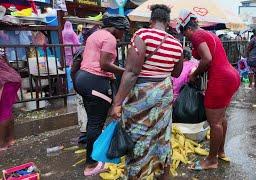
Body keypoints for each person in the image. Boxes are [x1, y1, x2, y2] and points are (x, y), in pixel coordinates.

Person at [109, 4, 183, 179]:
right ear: (167, 22)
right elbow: (177, 72)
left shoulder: (142, 35)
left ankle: (137, 174)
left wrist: (117, 103)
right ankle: (161, 172)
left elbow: (132, 72)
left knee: (137, 134)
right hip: (164, 92)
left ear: (151, 20)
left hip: (143, 93)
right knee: (161, 134)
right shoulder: (176, 43)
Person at [176, 9, 240, 170]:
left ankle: (211, 161)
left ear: (188, 29)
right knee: (221, 118)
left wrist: (194, 74)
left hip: (221, 79)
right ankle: (220, 152)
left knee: (215, 122)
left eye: (185, 33)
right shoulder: (208, 34)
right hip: (230, 76)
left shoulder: (197, 35)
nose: (186, 37)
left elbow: (207, 59)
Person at [74, 15, 130, 176]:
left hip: (83, 79)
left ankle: (95, 155)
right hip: (95, 80)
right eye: (124, 31)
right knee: (95, 124)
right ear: (116, 28)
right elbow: (104, 64)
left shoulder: (95, 34)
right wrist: (126, 72)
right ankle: (91, 165)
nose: (123, 35)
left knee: (93, 120)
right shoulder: (110, 38)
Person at [71, 25, 100, 145]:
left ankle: (89, 135)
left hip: (87, 85)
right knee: (85, 111)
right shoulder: (83, 50)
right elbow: (73, 70)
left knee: (90, 112)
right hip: (83, 85)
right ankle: (85, 136)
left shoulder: (89, 49)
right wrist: (76, 85)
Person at [0, 48, 21, 151]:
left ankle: (2, 144)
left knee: (3, 112)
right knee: (7, 110)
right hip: (13, 79)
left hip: (6, 82)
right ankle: (10, 139)